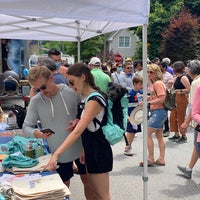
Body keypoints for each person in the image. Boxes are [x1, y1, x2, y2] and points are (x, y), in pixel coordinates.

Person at [42, 63, 113, 200]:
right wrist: (83, 149)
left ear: (83, 77)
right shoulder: (85, 98)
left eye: (72, 82)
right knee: (95, 192)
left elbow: (77, 132)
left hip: (99, 152)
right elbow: (88, 127)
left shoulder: (93, 99)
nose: (71, 86)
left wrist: (56, 154)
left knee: (103, 196)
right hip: (91, 150)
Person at [23, 66, 94, 199]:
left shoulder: (71, 92)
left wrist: (78, 121)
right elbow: (26, 127)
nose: (42, 92)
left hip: (81, 147)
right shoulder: (36, 101)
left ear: (51, 78)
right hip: (58, 150)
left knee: (88, 181)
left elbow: (85, 114)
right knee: (63, 186)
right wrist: (37, 133)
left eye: (43, 87)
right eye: (38, 89)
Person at [140, 64, 167, 166]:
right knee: (159, 135)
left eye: (151, 72)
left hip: (158, 111)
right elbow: (156, 97)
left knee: (147, 134)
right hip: (159, 111)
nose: (149, 74)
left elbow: (161, 98)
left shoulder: (157, 84)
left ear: (156, 73)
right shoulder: (157, 83)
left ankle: (151, 158)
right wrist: (146, 97)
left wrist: (147, 102)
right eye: (147, 72)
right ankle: (161, 159)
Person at [177, 60, 200, 179]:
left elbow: (194, 106)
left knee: (198, 145)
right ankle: (189, 168)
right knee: (197, 145)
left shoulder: (196, 83)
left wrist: (186, 122)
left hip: (198, 121)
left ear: (190, 71)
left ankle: (189, 169)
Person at [169, 61, 190, 144]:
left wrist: (180, 90)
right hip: (175, 98)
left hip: (181, 98)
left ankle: (184, 135)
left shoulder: (183, 78)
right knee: (173, 117)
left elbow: (188, 89)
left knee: (180, 117)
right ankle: (176, 133)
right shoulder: (176, 77)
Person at [124, 76, 143, 156]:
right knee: (130, 131)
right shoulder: (130, 93)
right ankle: (127, 146)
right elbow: (125, 105)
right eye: (139, 84)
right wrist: (127, 115)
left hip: (137, 114)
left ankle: (130, 145)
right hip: (131, 114)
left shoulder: (141, 92)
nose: (141, 86)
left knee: (133, 131)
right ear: (134, 84)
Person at [159, 62, 173, 137]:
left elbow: (170, 87)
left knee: (164, 113)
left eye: (160, 66)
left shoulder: (169, 76)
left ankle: (167, 129)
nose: (159, 68)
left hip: (165, 96)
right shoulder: (158, 75)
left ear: (164, 68)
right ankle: (159, 128)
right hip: (158, 95)